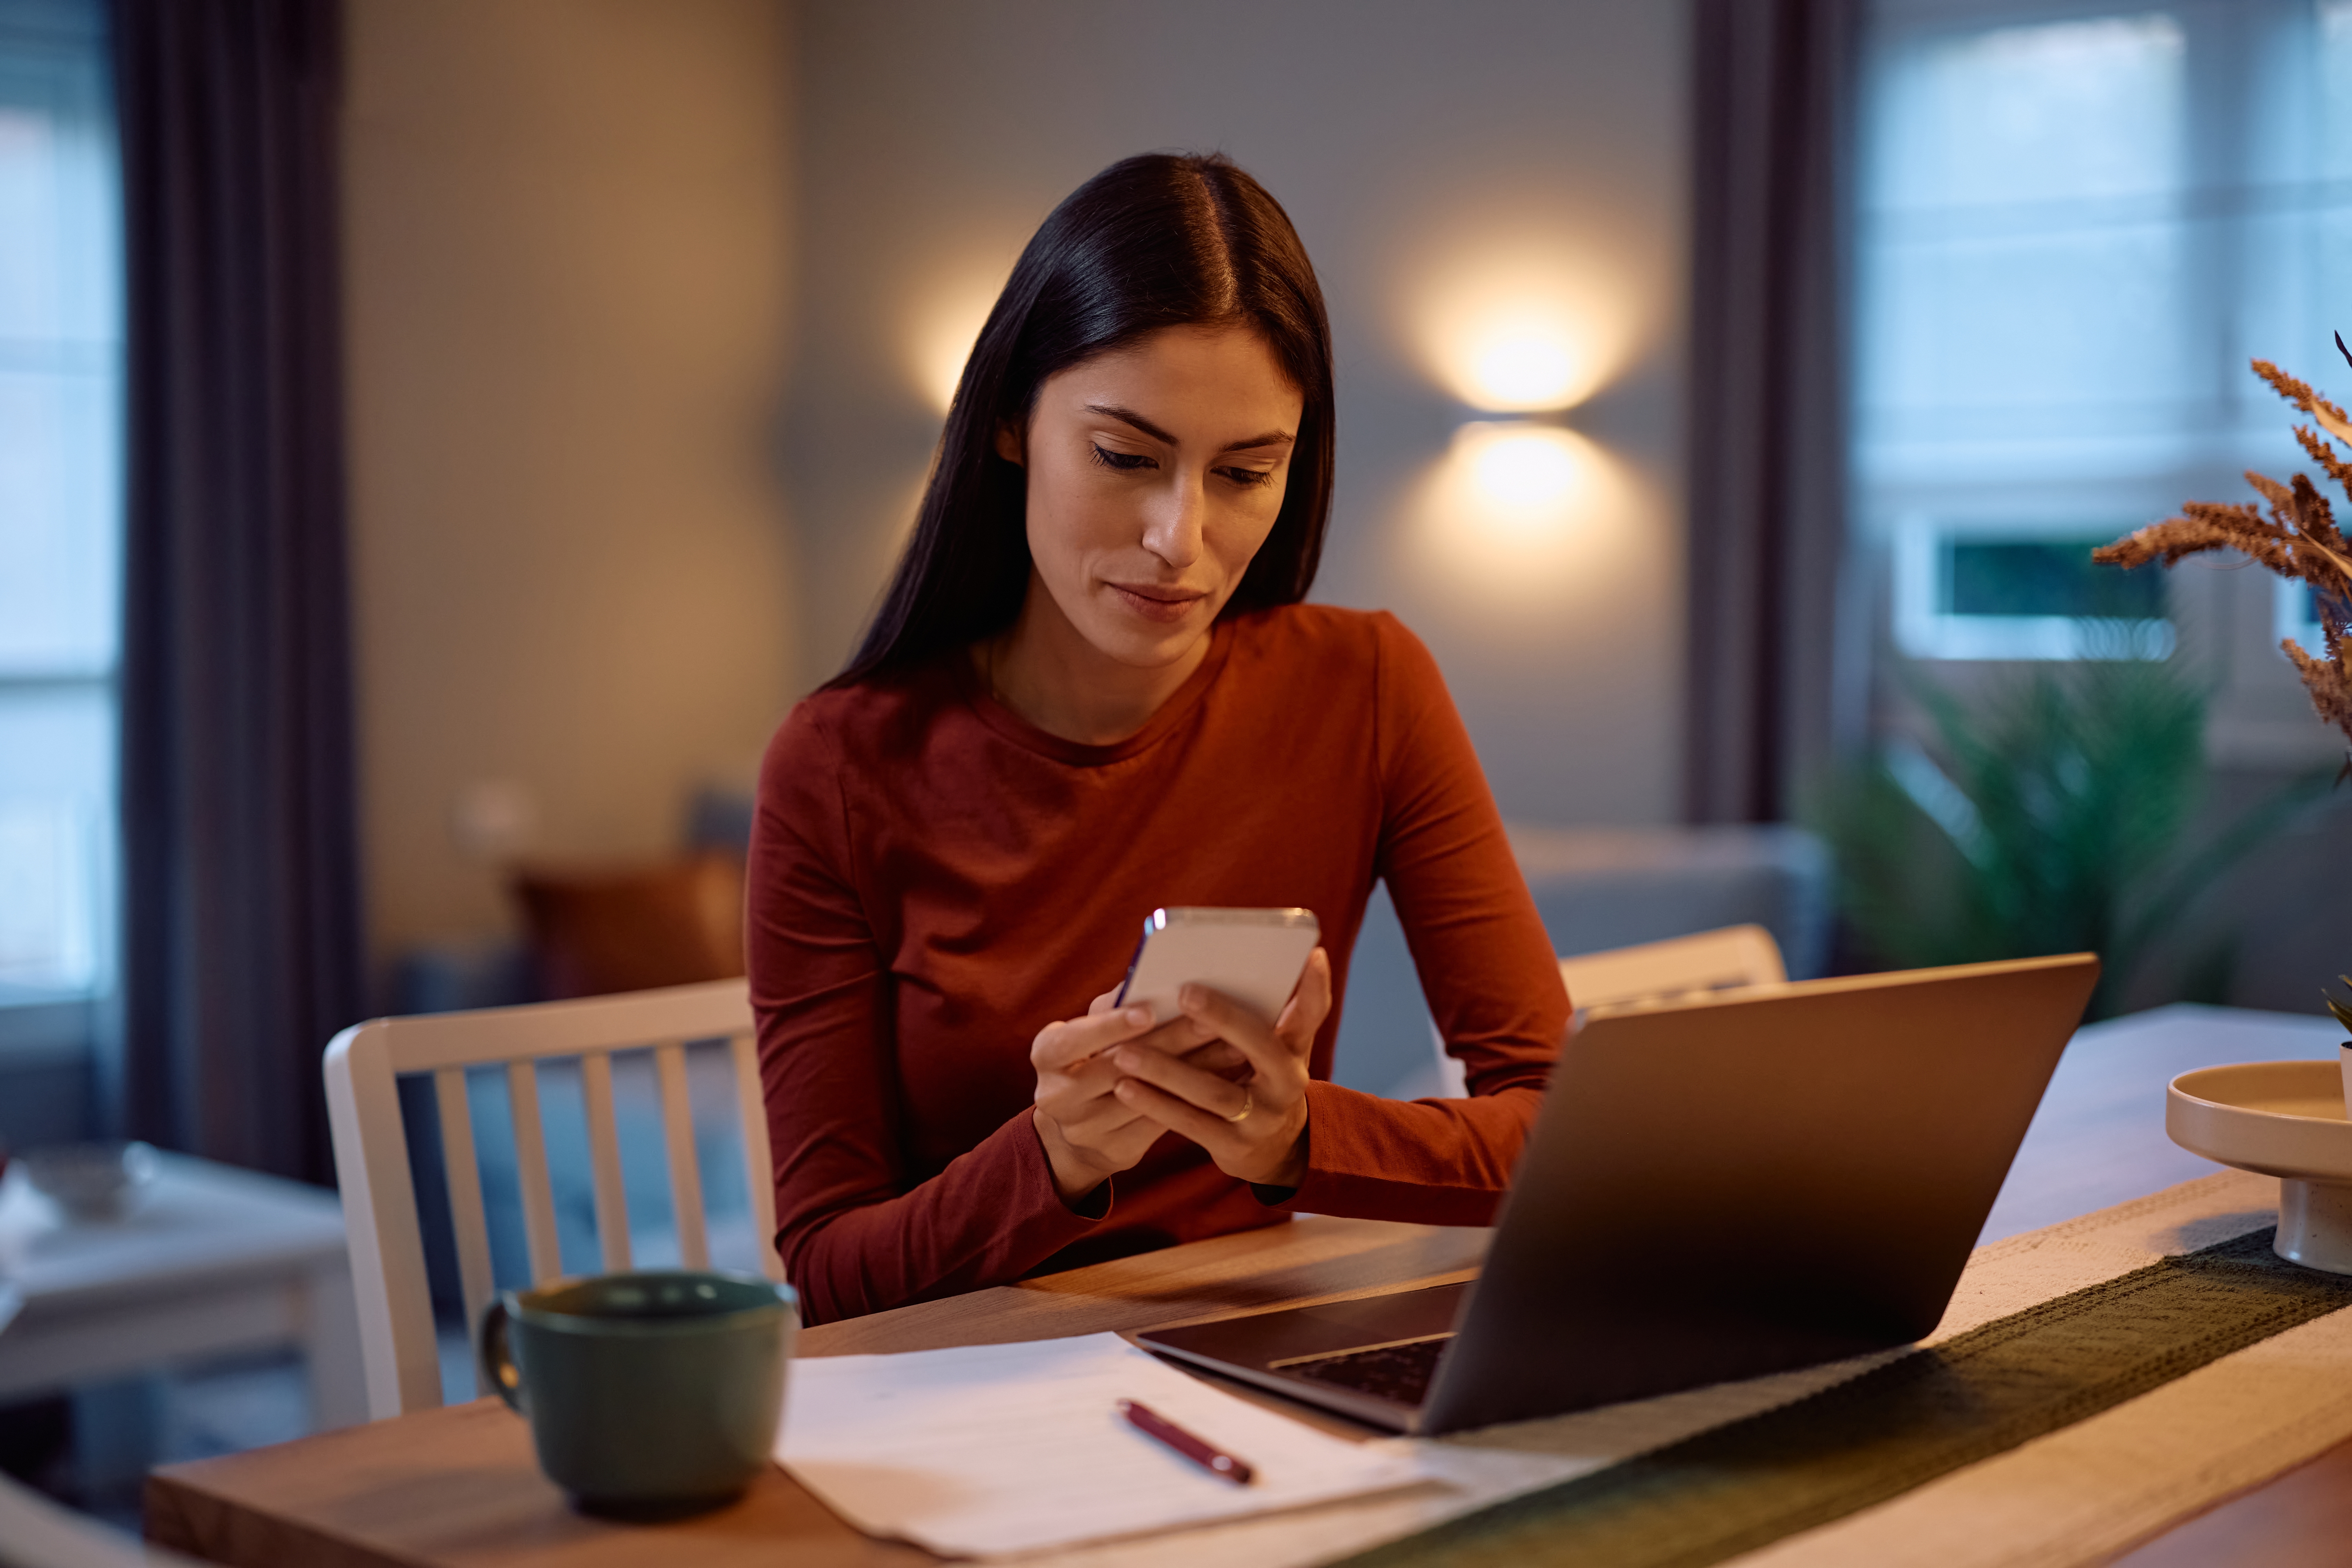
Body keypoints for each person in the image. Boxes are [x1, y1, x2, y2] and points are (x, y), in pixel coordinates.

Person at [749, 152, 1568, 1324]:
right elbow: (828, 1271)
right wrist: (1052, 1161)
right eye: (1126, 457)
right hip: (969, 1390)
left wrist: (1296, 1136)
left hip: (1259, 1344)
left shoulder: (1367, 684)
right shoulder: (840, 764)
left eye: (1246, 472)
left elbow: (1548, 1120)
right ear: (1011, 425)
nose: (1181, 538)